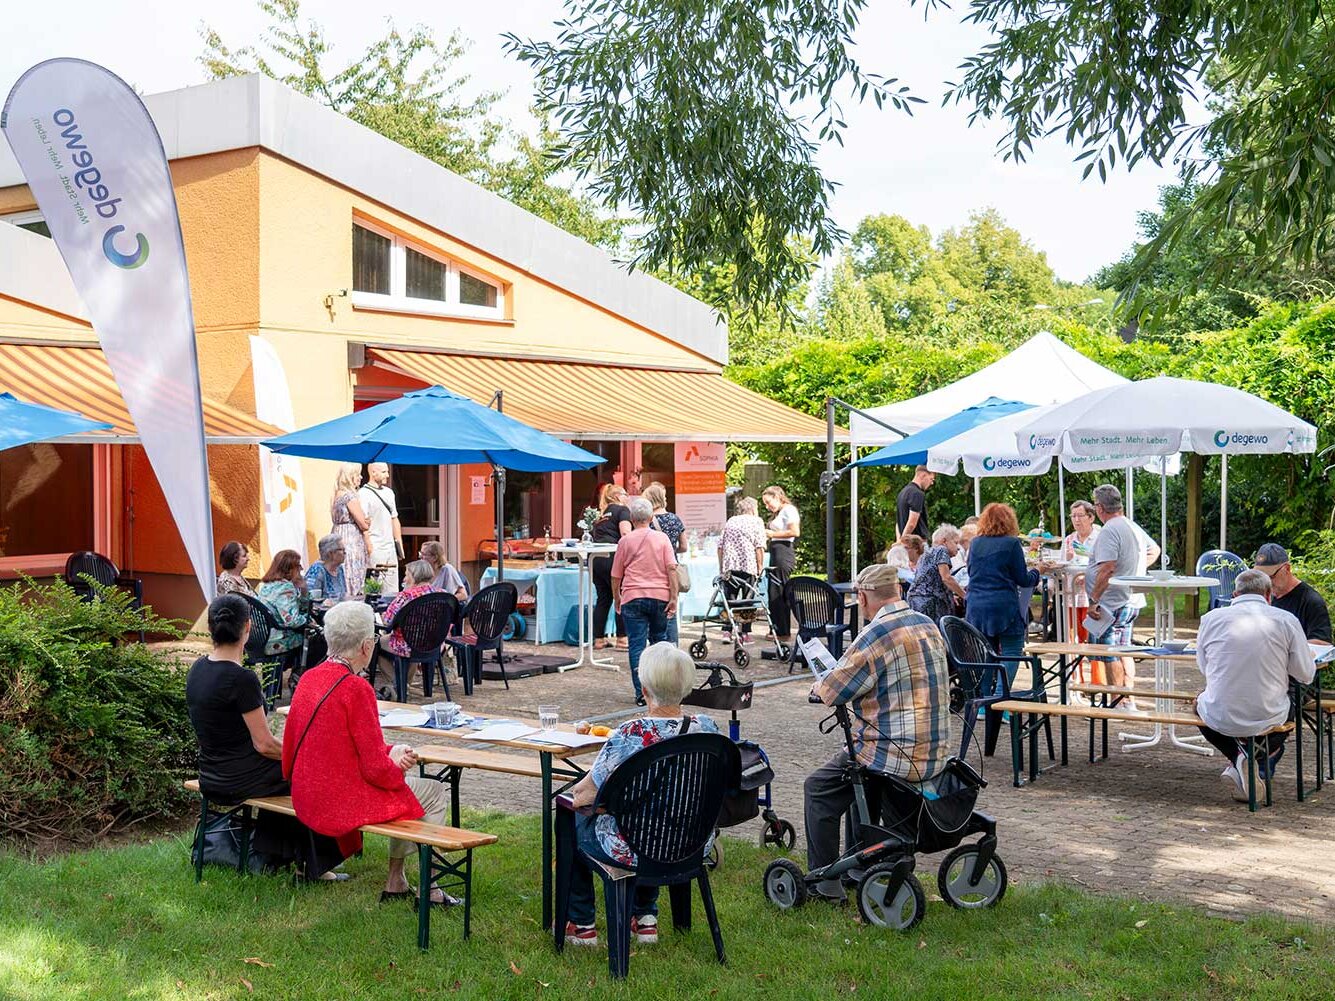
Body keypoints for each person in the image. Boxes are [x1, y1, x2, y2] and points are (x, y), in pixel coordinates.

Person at [282, 602, 457, 906]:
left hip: (306, 790)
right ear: (365, 646)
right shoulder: (357, 688)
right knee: (431, 790)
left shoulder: (309, 678)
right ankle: (430, 889)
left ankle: (398, 880)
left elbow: (308, 746)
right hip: (337, 798)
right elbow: (376, 770)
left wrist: (392, 754)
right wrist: (395, 765)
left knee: (408, 789)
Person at [804, 564, 951, 902]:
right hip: (937, 751)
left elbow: (831, 691)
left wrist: (820, 682)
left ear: (864, 597)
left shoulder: (876, 634)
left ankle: (824, 883)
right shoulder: (927, 624)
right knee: (857, 772)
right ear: (897, 590)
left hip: (896, 755)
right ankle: (859, 869)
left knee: (820, 787)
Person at [563, 643, 720, 947]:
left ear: (645, 690)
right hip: (692, 844)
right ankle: (645, 918)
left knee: (571, 817)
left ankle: (581, 924)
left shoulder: (631, 733)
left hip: (636, 847)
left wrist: (578, 790)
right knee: (654, 814)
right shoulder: (708, 728)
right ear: (685, 688)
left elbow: (583, 797)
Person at [185, 595, 344, 877]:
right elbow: (264, 743)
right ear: (248, 627)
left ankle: (277, 853)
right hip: (239, 779)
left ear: (210, 628)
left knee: (290, 772)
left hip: (211, 773)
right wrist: (302, 753)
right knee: (307, 773)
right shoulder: (242, 678)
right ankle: (313, 866)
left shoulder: (197, 669)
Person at [1194, 569, 1315, 801]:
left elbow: (1204, 667)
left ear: (1235, 593)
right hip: (1269, 713)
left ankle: (1237, 758)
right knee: (1294, 703)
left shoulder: (1210, 619)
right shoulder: (1286, 620)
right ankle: (1252, 762)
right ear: (1268, 594)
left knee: (1197, 703)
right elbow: (1305, 675)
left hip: (1220, 714)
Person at [612, 498, 680, 706]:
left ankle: (641, 693)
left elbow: (616, 575)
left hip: (633, 596)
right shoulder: (662, 539)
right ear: (651, 518)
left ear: (632, 519)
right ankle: (661, 690)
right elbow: (672, 569)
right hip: (660, 596)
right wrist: (674, 597)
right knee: (660, 643)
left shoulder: (625, 541)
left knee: (636, 645)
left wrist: (617, 598)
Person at [965, 503, 1039, 686]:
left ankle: (984, 703)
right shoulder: (1012, 544)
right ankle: (1001, 699)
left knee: (985, 654)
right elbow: (1023, 579)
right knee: (1012, 652)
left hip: (977, 606)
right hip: (1004, 606)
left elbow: (971, 571)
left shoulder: (975, 543)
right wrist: (1037, 571)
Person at [1083, 484, 1150, 687]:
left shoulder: (1110, 530)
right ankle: (1126, 698)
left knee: (1110, 654)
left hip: (1112, 602)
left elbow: (1107, 568)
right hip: (1129, 599)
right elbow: (1153, 550)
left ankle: (1116, 700)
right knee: (1123, 649)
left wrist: (1094, 600)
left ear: (1100, 508)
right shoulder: (1131, 526)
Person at [376, 559, 441, 690]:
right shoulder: (442, 594)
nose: (405, 579)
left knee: (374, 644)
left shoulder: (406, 596)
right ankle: (405, 684)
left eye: (407, 575)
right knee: (413, 640)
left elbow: (388, 621)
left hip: (408, 644)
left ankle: (398, 684)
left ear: (414, 576)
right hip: (433, 643)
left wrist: (383, 617)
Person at [1254, 543, 1332, 644]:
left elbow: (1323, 643)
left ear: (1287, 569)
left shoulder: (1311, 601)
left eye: (1271, 576)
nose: (1267, 582)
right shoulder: (1261, 596)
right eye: (1261, 577)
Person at [717, 496, 767, 644]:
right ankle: (745, 633)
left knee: (729, 600)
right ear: (753, 509)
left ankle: (727, 631)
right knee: (747, 601)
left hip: (730, 566)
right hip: (748, 566)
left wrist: (722, 567)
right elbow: (759, 547)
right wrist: (760, 567)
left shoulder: (731, 521)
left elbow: (720, 547)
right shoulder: (756, 521)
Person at [255, 549, 310, 681]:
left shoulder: (268, 585)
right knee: (316, 641)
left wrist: (303, 591)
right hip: (277, 640)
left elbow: (299, 609)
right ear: (289, 569)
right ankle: (300, 680)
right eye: (298, 566)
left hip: (262, 638)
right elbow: (292, 621)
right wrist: (310, 621)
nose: (301, 568)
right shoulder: (285, 588)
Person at [591, 483, 633, 651]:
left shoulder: (601, 515)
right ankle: (622, 639)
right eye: (625, 494)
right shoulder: (622, 510)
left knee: (603, 599)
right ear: (617, 497)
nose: (627, 497)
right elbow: (625, 533)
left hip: (596, 560)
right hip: (613, 558)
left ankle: (599, 640)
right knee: (620, 596)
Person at [644, 481, 687, 644]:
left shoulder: (647, 522)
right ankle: (673, 649)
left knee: (653, 612)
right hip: (672, 570)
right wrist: (672, 551)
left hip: (653, 570)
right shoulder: (675, 519)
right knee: (671, 610)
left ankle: (656, 649)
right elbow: (684, 546)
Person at [1060, 499, 1102, 649]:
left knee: (1094, 641)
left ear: (1091, 517)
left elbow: (1107, 565)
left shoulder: (1100, 537)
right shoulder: (1069, 540)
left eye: (1080, 515)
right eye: (1073, 516)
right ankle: (1074, 672)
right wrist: (1068, 559)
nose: (1076, 520)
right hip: (1072, 595)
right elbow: (1060, 565)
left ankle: (1098, 673)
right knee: (1072, 640)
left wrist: (1088, 576)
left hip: (1094, 597)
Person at [762, 486, 800, 646]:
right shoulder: (779, 512)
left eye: (769, 502)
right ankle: (778, 628)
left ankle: (783, 631)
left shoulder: (789, 510)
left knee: (779, 591)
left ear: (778, 497)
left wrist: (772, 534)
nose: (767, 506)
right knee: (774, 590)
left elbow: (795, 531)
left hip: (783, 552)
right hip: (776, 551)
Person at [906, 524, 966, 624]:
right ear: (944, 541)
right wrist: (965, 596)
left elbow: (931, 581)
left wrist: (951, 595)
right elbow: (946, 578)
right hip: (930, 604)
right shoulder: (941, 550)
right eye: (956, 543)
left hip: (918, 602)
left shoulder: (927, 554)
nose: (959, 548)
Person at [359, 462, 404, 594]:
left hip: (390, 547)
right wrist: (369, 546)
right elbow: (363, 523)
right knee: (374, 588)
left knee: (392, 588)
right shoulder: (363, 494)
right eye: (384, 472)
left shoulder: (389, 493)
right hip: (375, 547)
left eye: (387, 472)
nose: (388, 475)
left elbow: (394, 518)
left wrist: (399, 545)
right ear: (373, 472)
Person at [331, 463, 373, 597]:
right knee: (352, 572)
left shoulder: (337, 495)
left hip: (337, 535)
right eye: (357, 475)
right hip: (351, 540)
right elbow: (363, 524)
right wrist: (366, 521)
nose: (360, 477)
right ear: (350, 477)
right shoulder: (350, 496)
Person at [304, 534, 349, 603]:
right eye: (341, 550)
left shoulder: (339, 568)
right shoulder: (317, 570)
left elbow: (343, 596)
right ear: (330, 553)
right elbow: (311, 599)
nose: (345, 552)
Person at [895, 465, 935, 543]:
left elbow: (898, 522)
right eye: (931, 479)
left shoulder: (902, 492)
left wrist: (899, 539)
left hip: (906, 542)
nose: (932, 483)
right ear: (923, 475)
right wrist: (902, 542)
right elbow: (912, 523)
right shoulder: (917, 493)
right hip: (916, 545)